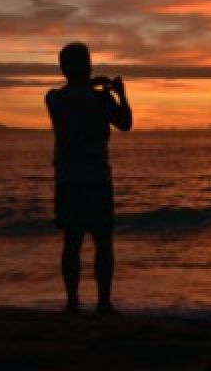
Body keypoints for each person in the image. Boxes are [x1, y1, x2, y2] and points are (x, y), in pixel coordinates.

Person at [45, 41, 133, 314]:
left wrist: (92, 83)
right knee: (103, 243)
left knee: (72, 242)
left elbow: (73, 90)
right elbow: (125, 123)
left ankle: (72, 303)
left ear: (63, 69)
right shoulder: (100, 99)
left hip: (68, 179)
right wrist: (120, 94)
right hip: (96, 178)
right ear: (88, 66)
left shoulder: (54, 99)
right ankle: (103, 303)